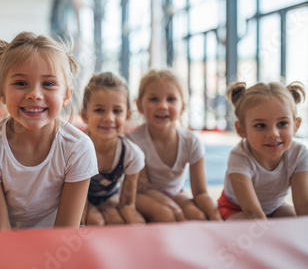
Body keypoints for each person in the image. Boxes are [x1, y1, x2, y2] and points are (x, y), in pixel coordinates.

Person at [0, 32, 98, 230]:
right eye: (21, 83)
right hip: (4, 237)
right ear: (1, 93)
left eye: (48, 84)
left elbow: (66, 230)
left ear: (66, 95)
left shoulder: (79, 147)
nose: (34, 95)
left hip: (57, 239)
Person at [126, 69, 221, 222]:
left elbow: (201, 193)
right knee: (167, 216)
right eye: (154, 99)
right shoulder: (133, 141)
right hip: (139, 195)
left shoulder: (191, 142)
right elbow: (143, 188)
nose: (163, 105)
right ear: (139, 105)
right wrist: (169, 205)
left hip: (176, 193)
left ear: (182, 107)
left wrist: (215, 214)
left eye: (171, 99)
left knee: (198, 216)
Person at [218, 81, 308, 220]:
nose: (273, 134)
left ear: (296, 125)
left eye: (282, 124)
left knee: (293, 221)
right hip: (235, 209)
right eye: (260, 125)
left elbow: (303, 205)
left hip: (275, 207)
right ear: (241, 129)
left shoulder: (299, 154)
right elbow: (252, 212)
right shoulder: (240, 157)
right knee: (247, 227)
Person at [80, 72, 146, 225]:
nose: (109, 118)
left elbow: (127, 204)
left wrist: (137, 227)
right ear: (84, 115)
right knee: (95, 222)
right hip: (79, 200)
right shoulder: (75, 149)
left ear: (127, 116)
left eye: (117, 111)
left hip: (109, 198)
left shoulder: (131, 154)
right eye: (99, 110)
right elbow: (76, 201)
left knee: (117, 222)